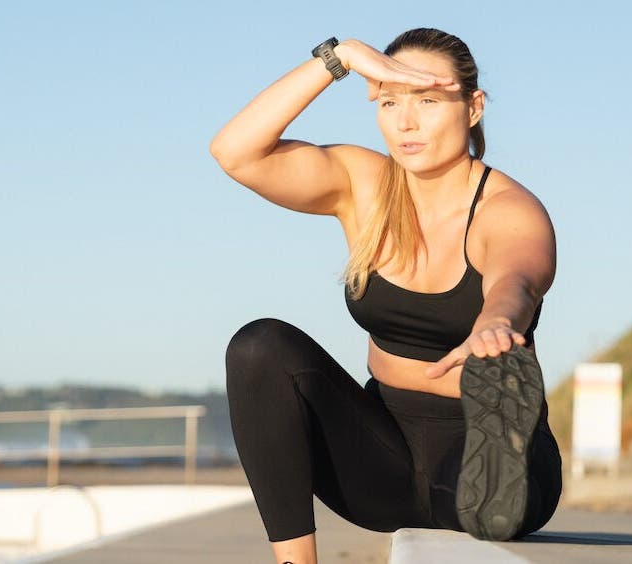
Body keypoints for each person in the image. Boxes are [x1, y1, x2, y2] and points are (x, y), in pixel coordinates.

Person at [210, 28, 562, 564]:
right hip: (382, 453)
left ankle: (497, 474)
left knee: (477, 499)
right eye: (391, 100)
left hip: (480, 443)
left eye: (427, 99)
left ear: (473, 107)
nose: (406, 121)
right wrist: (341, 57)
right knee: (259, 347)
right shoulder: (363, 184)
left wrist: (496, 322)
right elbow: (235, 152)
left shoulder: (509, 208)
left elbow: (516, 280)